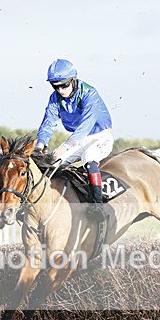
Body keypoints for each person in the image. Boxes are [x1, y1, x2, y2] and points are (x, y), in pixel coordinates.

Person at [36, 58, 113, 220]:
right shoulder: (54, 98)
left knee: (89, 158)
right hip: (78, 139)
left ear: (73, 80)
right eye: (55, 86)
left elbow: (85, 126)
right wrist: (40, 144)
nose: (60, 90)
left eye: (64, 85)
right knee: (52, 166)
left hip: (99, 136)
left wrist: (65, 146)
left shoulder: (89, 93)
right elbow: (48, 122)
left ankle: (98, 205)